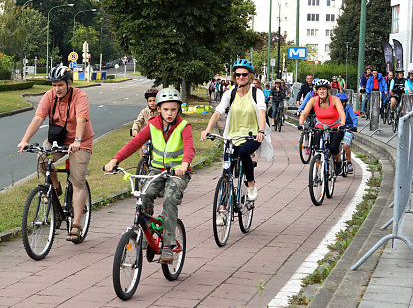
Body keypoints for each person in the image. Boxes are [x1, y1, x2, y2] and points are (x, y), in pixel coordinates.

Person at [104, 88, 195, 263]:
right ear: (158, 109)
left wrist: (184, 164)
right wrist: (115, 160)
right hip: (156, 172)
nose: (169, 113)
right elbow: (134, 143)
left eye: (173, 109)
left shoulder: (184, 126)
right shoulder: (152, 124)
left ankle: (167, 246)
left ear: (178, 109)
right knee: (143, 195)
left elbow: (189, 148)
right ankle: (147, 233)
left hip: (177, 173)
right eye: (166, 109)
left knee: (169, 200)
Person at [17, 66, 94, 242]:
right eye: (54, 85)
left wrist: (78, 140)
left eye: (60, 84)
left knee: (77, 180)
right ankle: (55, 188)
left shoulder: (80, 96)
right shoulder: (49, 96)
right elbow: (38, 118)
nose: (57, 88)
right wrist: (25, 139)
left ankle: (76, 225)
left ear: (69, 83)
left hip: (80, 142)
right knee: (42, 158)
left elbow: (81, 119)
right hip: (57, 140)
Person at [201, 59, 272, 206]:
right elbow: (218, 112)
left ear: (250, 76)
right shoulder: (230, 93)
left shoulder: (256, 93)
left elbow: (262, 111)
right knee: (226, 171)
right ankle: (222, 208)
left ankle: (251, 184)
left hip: (252, 135)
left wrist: (261, 130)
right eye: (238, 75)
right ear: (234, 76)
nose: (241, 77)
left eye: (244, 75)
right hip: (232, 136)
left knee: (245, 152)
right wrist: (208, 129)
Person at [298, 79, 346, 175]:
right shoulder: (313, 100)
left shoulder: (335, 100)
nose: (322, 91)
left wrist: (342, 124)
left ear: (328, 90)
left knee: (333, 148)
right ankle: (316, 169)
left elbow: (342, 113)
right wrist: (301, 124)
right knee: (316, 148)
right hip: (320, 126)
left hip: (335, 126)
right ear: (316, 91)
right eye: (319, 89)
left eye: (324, 89)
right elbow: (304, 114)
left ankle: (338, 162)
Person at [336, 92, 357, 173]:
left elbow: (354, 118)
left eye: (341, 102)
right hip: (337, 128)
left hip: (348, 128)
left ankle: (349, 163)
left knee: (345, 145)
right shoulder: (334, 108)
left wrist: (354, 126)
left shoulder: (348, 108)